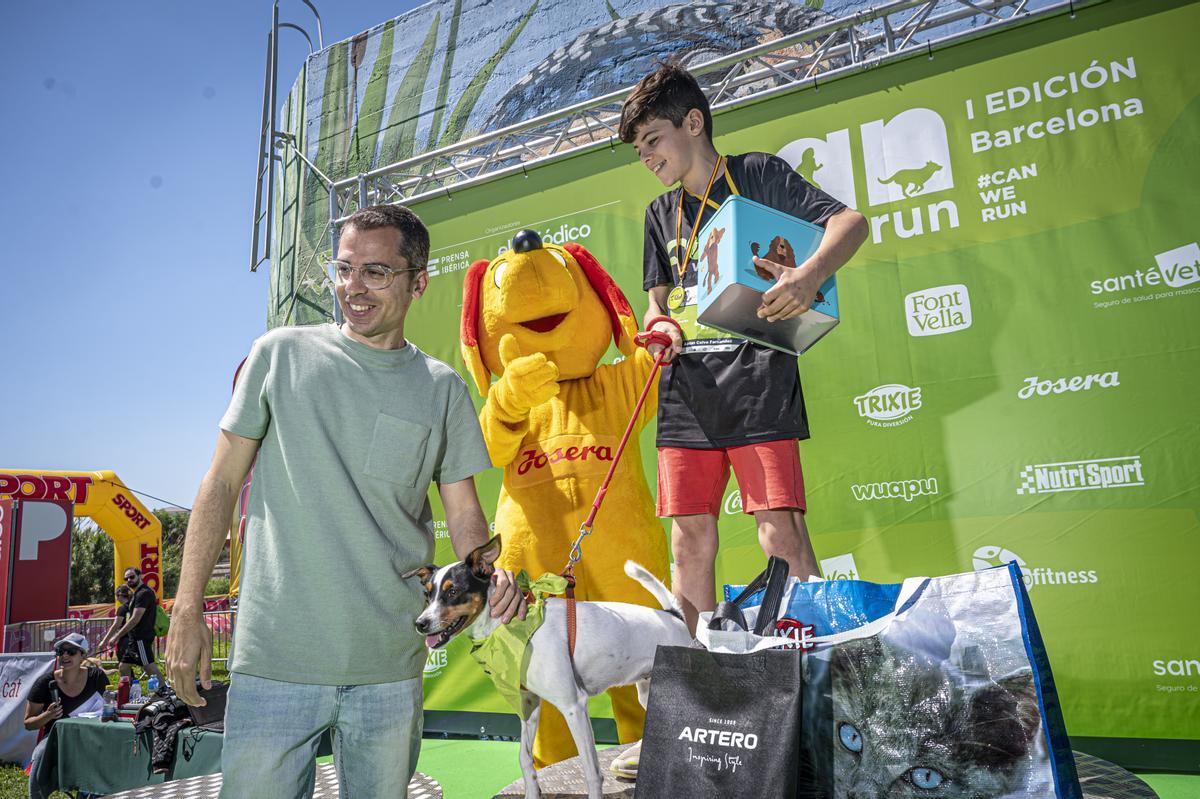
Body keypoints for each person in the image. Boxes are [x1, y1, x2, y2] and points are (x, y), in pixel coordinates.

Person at [165, 203, 526, 799]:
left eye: (376, 273)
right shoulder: (278, 353)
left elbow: (464, 513)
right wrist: (185, 608)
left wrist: (488, 579)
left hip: (388, 666)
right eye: (344, 269)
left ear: (418, 282)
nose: (352, 289)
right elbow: (221, 483)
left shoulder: (442, 389)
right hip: (274, 659)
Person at [619, 63, 869, 633]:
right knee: (688, 541)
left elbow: (849, 223)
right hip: (686, 386)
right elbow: (656, 304)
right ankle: (698, 683)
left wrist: (806, 277)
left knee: (780, 531)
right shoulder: (659, 215)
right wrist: (658, 326)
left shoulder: (755, 173)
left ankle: (813, 667)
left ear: (693, 122)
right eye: (639, 151)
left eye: (653, 140)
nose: (648, 157)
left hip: (757, 370)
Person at [25, 633, 109, 799]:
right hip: (57, 737)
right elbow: (28, 723)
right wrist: (47, 716)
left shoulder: (96, 677)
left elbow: (110, 706)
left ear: (83, 655)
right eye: (61, 651)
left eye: (71, 651)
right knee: (40, 755)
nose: (64, 655)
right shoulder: (44, 682)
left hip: (91, 734)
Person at [98, 568, 163, 682]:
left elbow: (135, 619)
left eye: (132, 577)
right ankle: (127, 692)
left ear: (139, 575)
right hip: (134, 639)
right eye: (126, 578)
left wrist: (116, 637)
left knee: (148, 666)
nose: (129, 580)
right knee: (123, 667)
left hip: (141, 637)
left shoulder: (144, 593)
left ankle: (163, 689)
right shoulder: (137, 594)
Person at [94, 584, 135, 670]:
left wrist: (104, 641)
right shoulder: (135, 607)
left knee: (123, 666)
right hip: (135, 639)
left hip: (124, 640)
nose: (116, 599)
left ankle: (127, 682)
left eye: (116, 596)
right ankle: (131, 681)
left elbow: (115, 625)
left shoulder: (122, 608)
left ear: (119, 595)